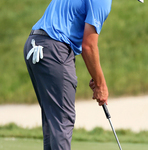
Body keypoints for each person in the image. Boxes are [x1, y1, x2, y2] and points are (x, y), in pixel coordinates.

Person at [23, 0, 112, 149]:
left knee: (53, 122)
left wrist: (97, 79)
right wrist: (101, 85)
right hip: (54, 49)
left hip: (35, 43)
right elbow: (88, 46)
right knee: (62, 122)